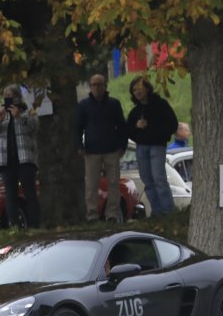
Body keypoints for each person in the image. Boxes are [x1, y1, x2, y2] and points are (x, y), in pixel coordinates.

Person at [75, 74, 128, 221]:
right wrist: (79, 146)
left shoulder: (114, 104)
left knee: (114, 183)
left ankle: (112, 214)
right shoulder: (84, 105)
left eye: (99, 85)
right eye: (94, 85)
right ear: (90, 87)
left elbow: (122, 126)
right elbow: (78, 127)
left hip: (112, 149)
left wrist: (122, 146)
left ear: (105, 86)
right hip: (91, 151)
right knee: (91, 185)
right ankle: (92, 214)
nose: (97, 88)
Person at [0, 84, 42, 229]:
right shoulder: (1, 114)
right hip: (6, 161)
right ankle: (14, 225)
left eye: (11, 96)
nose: (8, 99)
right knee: (10, 194)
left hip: (25, 159)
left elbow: (34, 127)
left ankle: (34, 225)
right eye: (6, 96)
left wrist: (18, 116)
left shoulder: (27, 112)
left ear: (18, 97)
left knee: (30, 192)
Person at [126, 75, 178, 216]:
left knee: (159, 179)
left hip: (157, 146)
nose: (137, 92)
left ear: (147, 89)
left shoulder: (161, 105)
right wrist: (136, 126)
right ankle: (157, 211)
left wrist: (157, 132)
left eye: (140, 88)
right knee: (147, 181)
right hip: (141, 147)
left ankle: (168, 211)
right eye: (134, 90)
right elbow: (128, 130)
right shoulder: (135, 111)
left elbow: (172, 124)